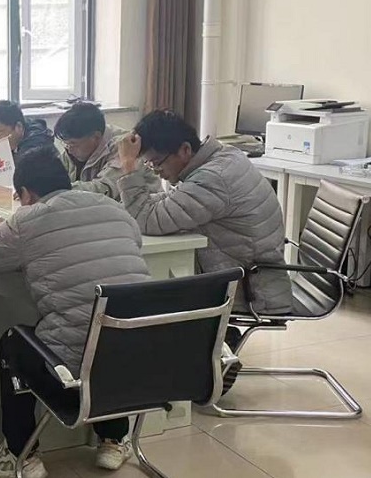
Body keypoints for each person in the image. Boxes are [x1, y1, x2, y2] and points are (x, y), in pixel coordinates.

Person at [0, 146, 151, 478]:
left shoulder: (27, 219)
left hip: (72, 371)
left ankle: (20, 453)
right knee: (108, 325)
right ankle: (114, 439)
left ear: (26, 193)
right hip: (141, 359)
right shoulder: (114, 208)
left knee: (15, 341)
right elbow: (134, 244)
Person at [116, 110, 293, 391]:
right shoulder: (221, 157)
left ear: (185, 150)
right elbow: (171, 201)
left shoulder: (212, 178)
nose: (155, 170)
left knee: (154, 290)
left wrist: (128, 167)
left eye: (156, 163)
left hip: (252, 286)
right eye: (148, 164)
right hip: (243, 266)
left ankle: (212, 355)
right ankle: (210, 349)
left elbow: (147, 220)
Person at [54, 102, 158, 199]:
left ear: (96, 137)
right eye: (66, 144)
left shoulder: (126, 146)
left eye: (73, 144)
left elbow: (104, 190)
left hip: (141, 208)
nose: (69, 150)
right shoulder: (73, 147)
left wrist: (57, 189)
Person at [0, 100, 54, 166]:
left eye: (0, 132)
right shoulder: (7, 142)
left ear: (19, 126)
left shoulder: (36, 145)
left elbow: (24, 168)